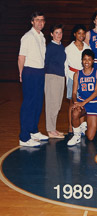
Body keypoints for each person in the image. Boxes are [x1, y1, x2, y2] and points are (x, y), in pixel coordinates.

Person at [18, 11, 49, 147]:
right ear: (32, 22)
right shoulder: (27, 37)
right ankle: (24, 137)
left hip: (40, 72)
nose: (40, 22)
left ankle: (33, 131)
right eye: (37, 20)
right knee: (28, 104)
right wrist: (21, 74)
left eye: (42, 20)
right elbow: (21, 57)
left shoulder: (42, 37)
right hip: (30, 72)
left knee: (37, 103)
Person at [67, 49, 97, 146]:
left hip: (93, 104)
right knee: (74, 112)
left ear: (93, 61)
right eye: (84, 59)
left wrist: (83, 103)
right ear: (81, 60)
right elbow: (74, 92)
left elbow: (96, 92)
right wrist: (76, 102)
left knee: (90, 137)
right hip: (82, 103)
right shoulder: (77, 74)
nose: (87, 62)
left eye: (89, 59)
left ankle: (83, 127)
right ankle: (77, 135)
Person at [65, 24, 91, 134]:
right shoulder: (68, 49)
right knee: (72, 102)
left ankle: (81, 125)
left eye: (83, 33)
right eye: (79, 33)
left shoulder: (87, 47)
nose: (81, 35)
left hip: (84, 77)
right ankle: (71, 125)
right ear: (75, 34)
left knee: (82, 101)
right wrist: (67, 79)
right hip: (72, 76)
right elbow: (65, 65)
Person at [44, 24, 66, 139]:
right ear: (52, 34)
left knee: (57, 104)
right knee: (51, 104)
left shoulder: (61, 47)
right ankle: (50, 130)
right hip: (52, 77)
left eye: (60, 33)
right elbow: (45, 63)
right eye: (56, 33)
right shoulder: (50, 47)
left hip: (60, 77)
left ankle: (53, 128)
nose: (59, 35)